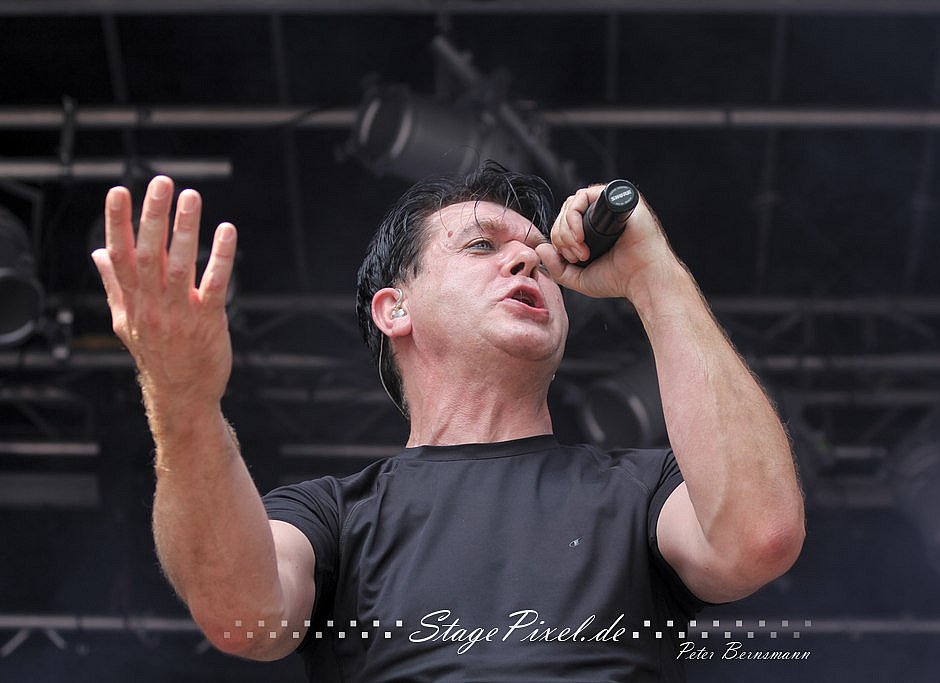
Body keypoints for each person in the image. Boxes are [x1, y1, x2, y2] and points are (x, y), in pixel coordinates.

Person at [91, 164, 804, 682]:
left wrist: (654, 273)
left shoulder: (643, 491)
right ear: (395, 308)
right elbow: (238, 613)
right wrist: (182, 398)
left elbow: (758, 537)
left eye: (537, 254)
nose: (526, 258)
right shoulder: (333, 516)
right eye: (482, 246)